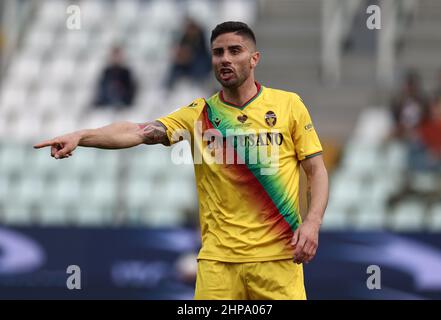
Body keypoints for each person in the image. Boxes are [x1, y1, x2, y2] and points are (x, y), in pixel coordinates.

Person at [34, 21, 329, 300]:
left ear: (254, 59)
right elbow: (136, 132)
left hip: (278, 258)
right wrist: (82, 136)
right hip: (219, 264)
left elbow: (316, 170)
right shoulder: (198, 114)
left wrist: (312, 222)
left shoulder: (288, 105)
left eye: (234, 51)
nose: (224, 59)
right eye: (217, 52)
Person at [165, 18, 211, 90]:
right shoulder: (184, 37)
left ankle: (198, 87)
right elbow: (181, 51)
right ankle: (168, 88)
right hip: (186, 63)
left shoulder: (202, 38)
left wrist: (188, 55)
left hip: (200, 63)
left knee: (200, 66)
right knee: (175, 67)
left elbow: (202, 54)